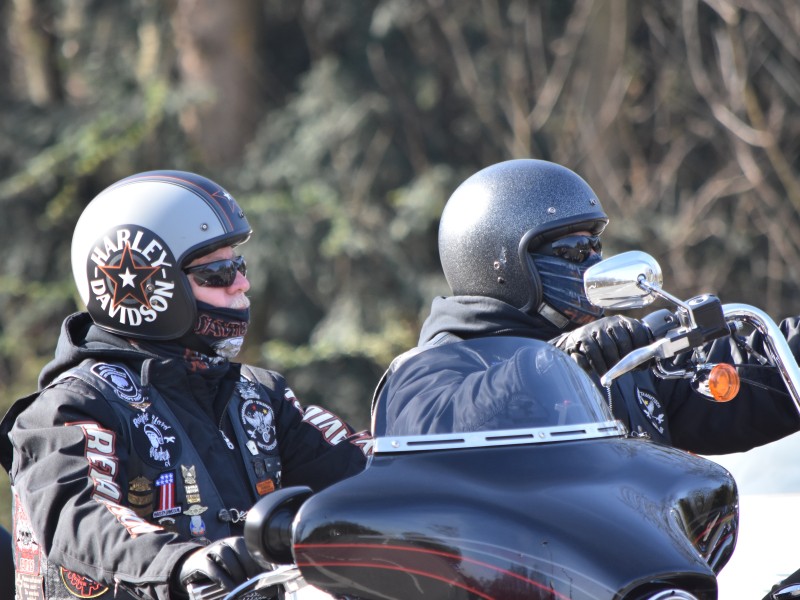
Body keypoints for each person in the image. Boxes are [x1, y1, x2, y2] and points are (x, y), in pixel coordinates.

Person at [0, 170, 372, 599]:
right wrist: (181, 562)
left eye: (240, 265)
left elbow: (360, 471)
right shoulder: (69, 410)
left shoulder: (256, 396)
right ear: (145, 287)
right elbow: (81, 514)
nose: (242, 283)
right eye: (218, 272)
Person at [373, 158, 800, 456]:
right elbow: (432, 429)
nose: (594, 264)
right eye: (576, 250)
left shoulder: (624, 366)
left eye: (596, 247)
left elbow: (753, 379)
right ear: (500, 261)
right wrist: (553, 362)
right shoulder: (426, 369)